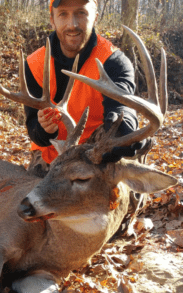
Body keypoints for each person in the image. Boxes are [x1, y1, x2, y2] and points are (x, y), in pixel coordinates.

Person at [25, 0, 148, 173]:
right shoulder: (34, 64)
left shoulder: (113, 62)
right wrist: (44, 130)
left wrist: (124, 131)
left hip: (96, 154)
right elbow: (34, 130)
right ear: (52, 19)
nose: (72, 24)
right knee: (30, 197)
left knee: (122, 190)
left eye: (81, 13)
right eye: (63, 14)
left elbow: (122, 107)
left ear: (95, 17)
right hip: (52, 155)